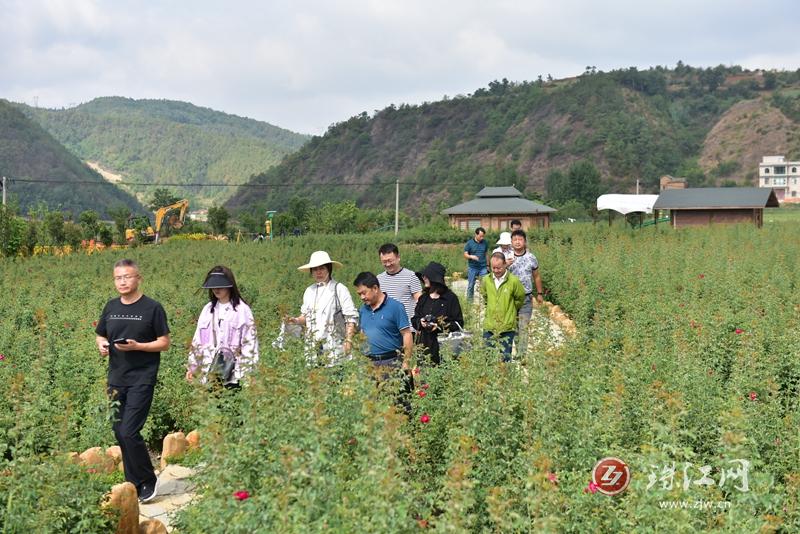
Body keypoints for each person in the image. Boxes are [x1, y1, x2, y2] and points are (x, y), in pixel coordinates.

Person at [95, 259, 170, 504]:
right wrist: (102, 346)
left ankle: (148, 480)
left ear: (138, 278)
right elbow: (100, 334)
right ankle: (133, 481)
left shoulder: (152, 308)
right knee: (119, 431)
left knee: (129, 430)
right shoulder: (111, 306)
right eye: (118, 278)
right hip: (116, 377)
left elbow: (164, 342)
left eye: (127, 277)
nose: (122, 281)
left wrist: (139, 347)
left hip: (142, 377)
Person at [187, 266, 259, 387]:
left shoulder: (242, 311)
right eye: (213, 286)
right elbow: (198, 340)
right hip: (208, 371)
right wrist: (192, 367)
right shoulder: (208, 310)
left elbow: (250, 343)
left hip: (234, 374)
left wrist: (249, 374)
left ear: (230, 285)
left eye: (220, 286)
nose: (216, 289)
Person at [287, 251, 358, 366]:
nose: (318, 272)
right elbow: (305, 317)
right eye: (315, 269)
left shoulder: (339, 289)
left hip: (334, 345)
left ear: (329, 269)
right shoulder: (309, 291)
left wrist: (348, 340)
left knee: (334, 377)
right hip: (312, 348)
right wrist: (294, 320)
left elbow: (351, 318)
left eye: (322, 268)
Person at [353, 272, 413, 370]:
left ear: (375, 288)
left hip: (391, 361)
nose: (362, 297)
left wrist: (406, 362)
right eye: (359, 294)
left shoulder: (396, 307)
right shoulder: (363, 310)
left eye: (364, 293)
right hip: (368, 363)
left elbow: (406, 334)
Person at [411, 262, 464, 365]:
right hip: (424, 346)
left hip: (445, 346)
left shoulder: (450, 298)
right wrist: (420, 322)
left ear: (434, 278)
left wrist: (439, 326)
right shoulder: (424, 298)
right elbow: (414, 319)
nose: (423, 278)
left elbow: (458, 323)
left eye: (426, 276)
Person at [480, 252, 525, 361]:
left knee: (505, 357)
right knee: (488, 356)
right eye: (493, 268)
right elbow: (485, 297)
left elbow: (519, 298)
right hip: (490, 325)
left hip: (507, 325)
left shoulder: (514, 281)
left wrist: (511, 310)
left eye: (499, 268)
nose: (496, 271)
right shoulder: (486, 280)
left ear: (505, 264)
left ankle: (507, 376)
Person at [507, 229, 544, 356]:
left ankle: (521, 355)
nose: (517, 242)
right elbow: (496, 274)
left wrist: (539, 293)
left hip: (526, 298)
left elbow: (537, 276)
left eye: (520, 239)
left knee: (523, 326)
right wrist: (505, 265)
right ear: (511, 242)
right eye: (515, 239)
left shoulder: (531, 257)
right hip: (509, 298)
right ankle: (512, 351)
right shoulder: (507, 257)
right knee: (513, 326)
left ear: (525, 241)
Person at [377, 243, 422, 326]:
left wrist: (419, 322)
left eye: (390, 261)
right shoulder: (378, 279)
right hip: (387, 328)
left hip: (407, 326)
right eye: (384, 262)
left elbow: (419, 301)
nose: (388, 264)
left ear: (398, 257)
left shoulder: (411, 276)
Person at [463, 227, 488, 300]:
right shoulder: (469, 243)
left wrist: (488, 265)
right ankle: (469, 302)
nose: (482, 238)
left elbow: (486, 254)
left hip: (483, 268)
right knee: (471, 285)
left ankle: (485, 301)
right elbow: (465, 254)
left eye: (483, 236)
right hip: (473, 268)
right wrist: (471, 256)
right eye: (480, 236)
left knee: (484, 285)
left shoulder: (485, 242)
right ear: (476, 234)